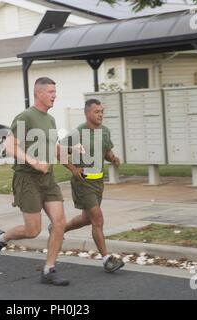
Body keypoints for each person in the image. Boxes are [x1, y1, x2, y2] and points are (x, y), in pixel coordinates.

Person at [0, 77, 70, 286]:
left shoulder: (50, 119)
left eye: (54, 91)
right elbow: (10, 146)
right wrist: (34, 162)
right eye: (50, 92)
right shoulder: (26, 116)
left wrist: (72, 154)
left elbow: (54, 147)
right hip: (27, 179)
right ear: (39, 93)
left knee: (59, 223)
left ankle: (49, 269)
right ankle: (1, 238)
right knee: (33, 230)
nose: (54, 95)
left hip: (48, 178)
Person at [59, 98, 125, 273]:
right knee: (98, 220)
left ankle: (59, 229)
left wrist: (113, 158)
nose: (100, 114)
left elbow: (106, 151)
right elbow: (59, 151)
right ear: (87, 113)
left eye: (102, 111)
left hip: (98, 182)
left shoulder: (104, 131)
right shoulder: (78, 132)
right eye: (97, 111)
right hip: (83, 182)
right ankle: (106, 260)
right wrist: (73, 169)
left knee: (87, 219)